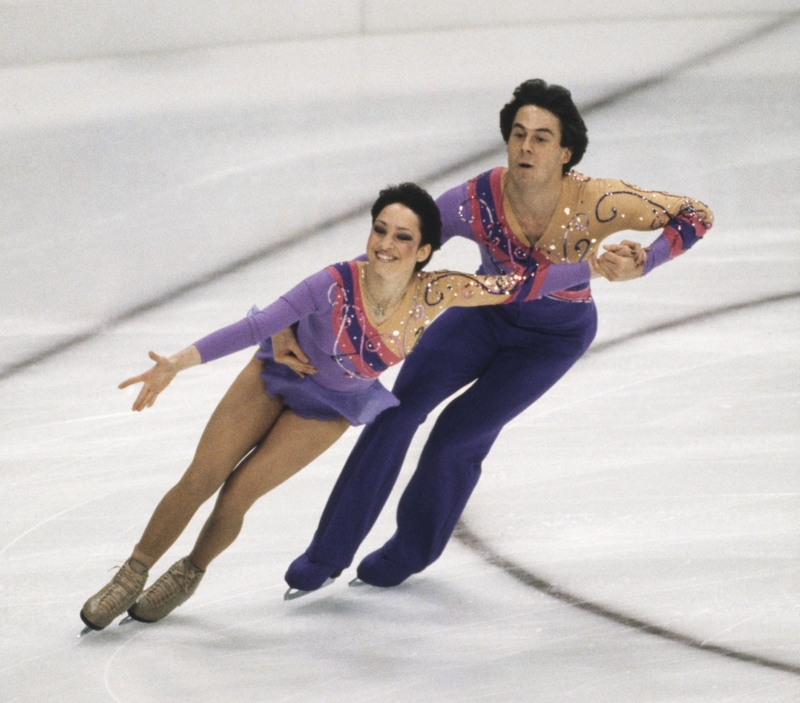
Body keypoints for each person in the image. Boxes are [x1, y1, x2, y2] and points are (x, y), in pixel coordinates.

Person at [79, 181, 613, 631]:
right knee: (202, 477)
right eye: (380, 229)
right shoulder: (334, 282)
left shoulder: (438, 293)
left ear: (425, 249)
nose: (386, 244)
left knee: (237, 497)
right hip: (274, 377)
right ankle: (131, 573)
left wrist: (597, 265)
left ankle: (188, 574)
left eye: (402, 237)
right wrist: (178, 362)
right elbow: (256, 326)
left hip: (330, 408)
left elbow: (520, 284)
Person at [281, 78, 714, 592]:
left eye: (542, 137)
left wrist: (648, 259)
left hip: (551, 340)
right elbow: (389, 253)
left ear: (565, 151)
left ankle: (408, 552)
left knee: (458, 436)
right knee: (395, 411)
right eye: (518, 133)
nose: (526, 146)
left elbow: (696, 214)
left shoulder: (600, 201)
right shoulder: (473, 200)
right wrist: (295, 315)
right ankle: (327, 553)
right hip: (480, 318)